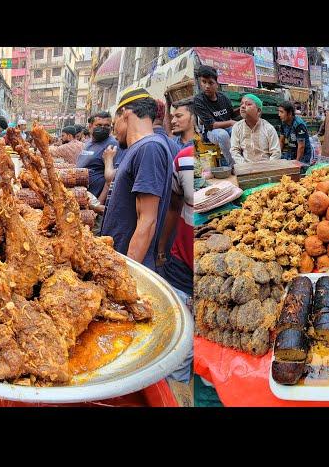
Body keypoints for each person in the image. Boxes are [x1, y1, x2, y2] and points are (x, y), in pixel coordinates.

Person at [100, 88, 173, 270]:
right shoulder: (137, 149)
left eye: (113, 123)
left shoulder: (150, 148)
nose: (113, 131)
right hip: (116, 259)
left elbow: (147, 222)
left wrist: (127, 273)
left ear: (125, 113)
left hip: (127, 264)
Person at [156, 144, 194, 383]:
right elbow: (173, 207)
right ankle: (175, 390)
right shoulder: (182, 160)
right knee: (176, 340)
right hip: (180, 264)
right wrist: (161, 248)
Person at [193, 65, 237, 166]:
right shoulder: (199, 100)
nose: (207, 86)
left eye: (210, 83)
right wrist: (230, 122)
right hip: (210, 133)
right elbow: (211, 125)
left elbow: (232, 115)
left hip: (227, 128)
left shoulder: (223, 97)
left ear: (216, 84)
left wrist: (243, 108)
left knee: (240, 128)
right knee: (222, 135)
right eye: (204, 82)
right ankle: (234, 165)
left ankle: (246, 161)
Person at [76, 111, 122, 207]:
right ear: (90, 126)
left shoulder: (112, 145)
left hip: (96, 202)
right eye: (99, 125)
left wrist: (99, 203)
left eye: (106, 126)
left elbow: (111, 179)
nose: (102, 128)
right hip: (84, 199)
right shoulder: (88, 143)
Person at [230, 94, 281, 164]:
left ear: (258, 111)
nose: (242, 106)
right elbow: (234, 150)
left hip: (266, 169)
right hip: (246, 169)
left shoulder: (268, 128)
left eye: (248, 104)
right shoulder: (237, 127)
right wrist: (244, 166)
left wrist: (267, 168)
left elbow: (276, 153)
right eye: (241, 104)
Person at [278, 101, 313, 166]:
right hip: (291, 152)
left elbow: (301, 147)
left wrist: (297, 163)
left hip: (303, 155)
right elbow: (281, 141)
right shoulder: (283, 123)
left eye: (282, 112)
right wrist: (278, 156)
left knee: (298, 173)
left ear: (290, 113)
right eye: (279, 111)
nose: (279, 114)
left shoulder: (299, 125)